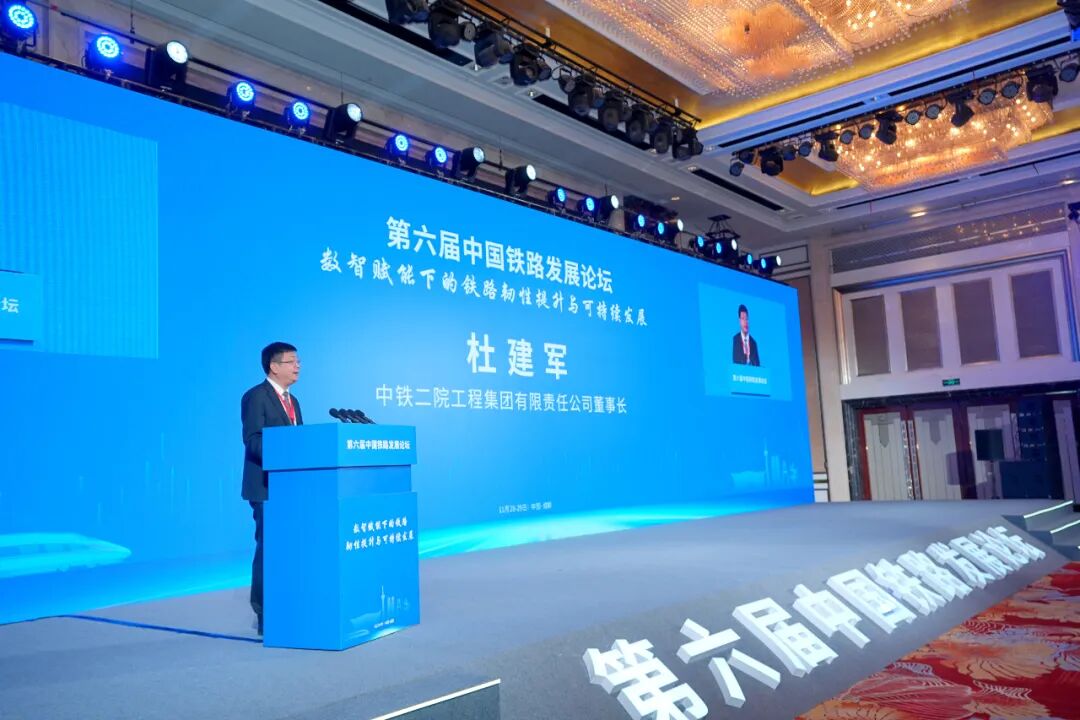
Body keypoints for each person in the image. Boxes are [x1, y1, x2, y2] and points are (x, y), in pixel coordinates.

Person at [241, 342, 302, 634]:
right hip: (266, 488)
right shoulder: (256, 397)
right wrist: (287, 454)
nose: (297, 366)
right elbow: (253, 441)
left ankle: (290, 605)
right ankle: (265, 614)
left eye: (298, 361)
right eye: (291, 361)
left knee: (290, 548)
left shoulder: (294, 401)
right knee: (268, 549)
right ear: (273, 367)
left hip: (292, 489)